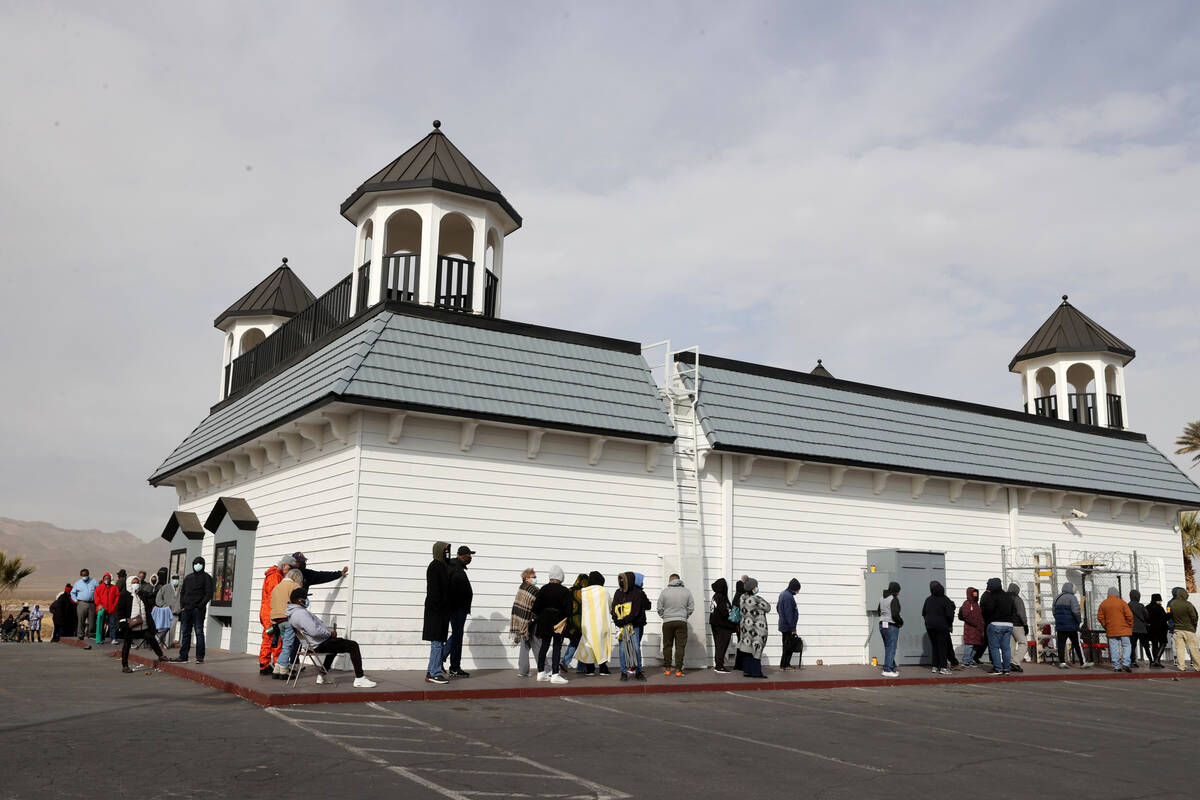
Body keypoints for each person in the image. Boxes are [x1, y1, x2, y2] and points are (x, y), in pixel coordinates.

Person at [285, 587, 376, 687]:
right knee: (353, 645)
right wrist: (329, 634)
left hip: (311, 645)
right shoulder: (300, 613)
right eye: (305, 598)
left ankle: (322, 675)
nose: (307, 600)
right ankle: (360, 678)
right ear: (298, 600)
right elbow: (314, 631)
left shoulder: (293, 613)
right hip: (318, 645)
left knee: (335, 643)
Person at [532, 565, 573, 684]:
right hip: (558, 622)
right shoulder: (564, 591)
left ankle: (541, 673)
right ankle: (555, 674)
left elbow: (536, 608)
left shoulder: (543, 589)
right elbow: (569, 610)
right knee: (556, 647)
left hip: (544, 621)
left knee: (544, 646)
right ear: (561, 578)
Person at [117, 575, 166, 672]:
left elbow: (149, 605)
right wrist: (122, 622)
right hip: (130, 626)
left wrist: (151, 624)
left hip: (143, 626)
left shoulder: (141, 595)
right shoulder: (124, 595)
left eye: (137, 582)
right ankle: (125, 666)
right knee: (127, 644)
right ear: (129, 584)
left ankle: (161, 655)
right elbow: (120, 610)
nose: (136, 584)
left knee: (151, 638)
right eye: (133, 582)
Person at [258, 555, 296, 676]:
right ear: (284, 565)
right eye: (289, 568)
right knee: (275, 639)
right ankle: (279, 665)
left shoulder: (275, 575)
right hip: (270, 611)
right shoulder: (275, 576)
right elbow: (274, 597)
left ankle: (265, 664)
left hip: (267, 611)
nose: (289, 571)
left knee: (269, 638)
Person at [423, 541, 452, 684]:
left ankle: (432, 670)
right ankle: (434, 673)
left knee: (438, 642)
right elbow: (435, 591)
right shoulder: (435, 566)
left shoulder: (441, 566)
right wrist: (441, 607)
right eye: (445, 551)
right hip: (436, 612)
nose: (447, 553)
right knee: (437, 643)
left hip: (440, 611)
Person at [176, 556, 214, 664]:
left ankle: (200, 657)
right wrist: (182, 606)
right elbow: (183, 592)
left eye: (200, 563)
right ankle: (183, 656)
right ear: (193, 564)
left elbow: (208, 594)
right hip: (186, 609)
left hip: (198, 610)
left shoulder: (207, 578)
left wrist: (200, 606)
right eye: (195, 563)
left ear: (203, 565)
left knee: (199, 632)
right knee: (186, 633)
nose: (197, 565)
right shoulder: (188, 577)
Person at [444, 545, 475, 678]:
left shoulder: (455, 567)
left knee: (457, 634)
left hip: (457, 608)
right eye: (469, 555)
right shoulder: (456, 569)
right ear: (462, 556)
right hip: (457, 609)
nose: (470, 558)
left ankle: (442, 657)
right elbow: (456, 591)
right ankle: (454, 667)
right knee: (457, 637)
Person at [612, 571, 648, 681]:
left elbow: (635, 611)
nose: (621, 582)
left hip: (634, 626)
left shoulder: (636, 593)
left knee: (636, 648)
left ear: (629, 581)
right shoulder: (618, 593)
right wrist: (616, 620)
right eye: (620, 580)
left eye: (624, 580)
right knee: (623, 649)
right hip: (622, 627)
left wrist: (624, 621)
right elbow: (614, 607)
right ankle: (623, 672)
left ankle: (638, 671)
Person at [658, 573, 694, 676]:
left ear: (670, 581)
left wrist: (664, 616)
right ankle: (678, 670)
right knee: (680, 646)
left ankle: (668, 669)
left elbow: (659, 607)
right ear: (679, 580)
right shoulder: (686, 592)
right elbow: (691, 607)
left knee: (667, 645)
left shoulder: (664, 592)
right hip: (681, 621)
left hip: (667, 622)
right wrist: (684, 616)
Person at [576, 571, 612, 676]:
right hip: (602, 623)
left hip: (587, 623)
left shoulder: (583, 592)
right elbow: (610, 606)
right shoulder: (604, 591)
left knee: (588, 644)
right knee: (602, 644)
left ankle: (590, 669)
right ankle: (603, 668)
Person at [509, 568, 541, 677]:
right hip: (531, 622)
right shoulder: (534, 590)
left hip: (522, 622)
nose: (536, 579)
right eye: (534, 577)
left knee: (525, 646)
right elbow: (538, 605)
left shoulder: (521, 588)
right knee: (537, 645)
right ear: (526, 578)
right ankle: (545, 669)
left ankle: (523, 671)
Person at [737, 577, 771, 678]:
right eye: (756, 586)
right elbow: (768, 607)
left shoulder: (742, 598)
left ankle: (747, 671)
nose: (757, 588)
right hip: (757, 629)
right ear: (752, 588)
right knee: (757, 649)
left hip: (746, 628)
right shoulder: (756, 599)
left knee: (747, 650)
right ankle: (756, 672)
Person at [980, 578, 1014, 675]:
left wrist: (987, 620)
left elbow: (988, 609)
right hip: (1008, 624)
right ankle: (1007, 669)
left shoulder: (991, 596)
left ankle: (998, 668)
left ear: (992, 586)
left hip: (995, 624)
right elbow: (1013, 610)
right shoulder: (1008, 596)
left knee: (994, 647)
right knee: (1006, 648)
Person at [1097, 586, 1134, 672]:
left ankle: (1116, 666)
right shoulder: (1122, 602)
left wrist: (1106, 626)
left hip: (1111, 629)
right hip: (1124, 629)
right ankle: (1125, 663)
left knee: (1113, 647)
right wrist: (1130, 625)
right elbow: (1130, 615)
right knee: (1126, 645)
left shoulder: (1103, 604)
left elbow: (1100, 617)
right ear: (1117, 594)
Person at [922, 581, 955, 675]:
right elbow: (950, 614)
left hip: (929, 626)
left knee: (935, 646)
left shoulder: (928, 599)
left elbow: (924, 613)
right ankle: (943, 667)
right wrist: (949, 624)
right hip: (941, 626)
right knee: (942, 647)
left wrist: (928, 621)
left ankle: (934, 666)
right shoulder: (945, 599)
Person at [1053, 582, 1088, 669]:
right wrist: (1079, 621)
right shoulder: (1072, 598)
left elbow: (1054, 612)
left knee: (1061, 644)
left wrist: (1059, 620)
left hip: (1060, 626)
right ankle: (1082, 662)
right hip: (1072, 626)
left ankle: (1062, 662)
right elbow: (1076, 611)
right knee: (1077, 644)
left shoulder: (1057, 598)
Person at [709, 578, 738, 674]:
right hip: (722, 625)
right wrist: (731, 614)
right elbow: (724, 612)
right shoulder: (721, 597)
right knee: (721, 646)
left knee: (718, 645)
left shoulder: (715, 596)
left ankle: (718, 664)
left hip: (715, 624)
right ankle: (719, 666)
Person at [1168, 587, 1200, 672]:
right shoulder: (1188, 604)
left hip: (1177, 630)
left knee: (1180, 649)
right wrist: (1194, 626)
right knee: (1193, 649)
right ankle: (1198, 666)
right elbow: (1194, 617)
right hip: (1189, 629)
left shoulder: (1171, 604)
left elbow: (1169, 615)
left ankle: (1181, 666)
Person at [877, 581, 903, 677]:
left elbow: (879, 611)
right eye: (898, 591)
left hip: (882, 624)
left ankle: (892, 667)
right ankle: (887, 669)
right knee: (891, 648)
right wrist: (900, 623)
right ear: (896, 590)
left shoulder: (882, 598)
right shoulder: (893, 598)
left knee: (888, 647)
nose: (899, 593)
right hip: (891, 625)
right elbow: (895, 614)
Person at [564, 573, 589, 672]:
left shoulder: (570, 591)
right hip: (583, 622)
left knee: (574, 642)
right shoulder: (586, 592)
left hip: (571, 622)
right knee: (583, 643)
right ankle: (579, 666)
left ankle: (566, 663)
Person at [776, 578, 802, 671]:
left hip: (784, 625)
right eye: (798, 589)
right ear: (794, 588)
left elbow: (778, 608)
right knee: (788, 646)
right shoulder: (788, 597)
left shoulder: (783, 594)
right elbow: (789, 614)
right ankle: (784, 665)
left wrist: (782, 618)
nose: (798, 591)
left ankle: (785, 664)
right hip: (788, 627)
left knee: (787, 645)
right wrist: (793, 628)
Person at [958, 587, 985, 667]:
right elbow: (966, 616)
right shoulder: (967, 603)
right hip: (970, 628)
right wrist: (976, 623)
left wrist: (982, 624)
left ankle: (970, 660)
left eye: (976, 593)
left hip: (977, 629)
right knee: (969, 645)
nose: (975, 595)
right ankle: (965, 661)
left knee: (976, 645)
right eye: (973, 593)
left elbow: (980, 616)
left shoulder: (976, 604)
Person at [70, 569, 97, 641]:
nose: (85, 576)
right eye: (83, 575)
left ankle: (91, 634)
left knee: (92, 620)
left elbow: (98, 591)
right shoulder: (77, 583)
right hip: (82, 603)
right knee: (81, 620)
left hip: (92, 603)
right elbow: (72, 593)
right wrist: (76, 601)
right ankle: (80, 634)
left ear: (88, 574)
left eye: (86, 575)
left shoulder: (94, 581)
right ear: (81, 575)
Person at [155, 571, 180, 648]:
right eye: (174, 578)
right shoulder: (165, 587)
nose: (175, 580)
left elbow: (185, 599)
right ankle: (156, 644)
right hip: (165, 612)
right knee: (162, 630)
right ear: (171, 579)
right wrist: (164, 606)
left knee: (172, 631)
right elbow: (158, 599)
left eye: (177, 578)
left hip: (175, 613)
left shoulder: (181, 589)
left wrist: (182, 608)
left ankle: (167, 645)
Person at [93, 573, 119, 646]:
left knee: (112, 624)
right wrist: (99, 604)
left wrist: (115, 604)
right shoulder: (99, 588)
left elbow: (117, 596)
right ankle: (101, 638)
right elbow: (96, 596)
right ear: (103, 579)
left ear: (110, 579)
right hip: (102, 609)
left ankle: (113, 638)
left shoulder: (114, 588)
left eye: (108, 578)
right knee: (101, 624)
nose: (107, 580)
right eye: (105, 578)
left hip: (111, 609)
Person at [1008, 583, 1028, 673]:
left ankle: (1010, 663)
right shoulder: (1017, 599)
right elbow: (1021, 613)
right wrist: (1025, 624)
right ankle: (1015, 662)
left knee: (1011, 646)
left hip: (1007, 624)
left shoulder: (1005, 598)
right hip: (1017, 624)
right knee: (1023, 643)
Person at [1127, 589, 1150, 668]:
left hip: (1132, 628)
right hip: (1142, 629)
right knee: (1146, 645)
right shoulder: (1141, 606)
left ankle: (1132, 661)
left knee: (1132, 646)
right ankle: (1151, 660)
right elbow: (1146, 616)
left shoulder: (1128, 605)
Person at [1147, 592, 1169, 669]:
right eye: (1160, 600)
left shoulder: (1147, 607)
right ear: (1157, 600)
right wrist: (1169, 612)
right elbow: (1165, 618)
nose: (1161, 602)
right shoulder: (1160, 608)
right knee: (1163, 643)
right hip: (1161, 629)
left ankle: (1155, 661)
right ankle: (1157, 660)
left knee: (1154, 644)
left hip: (1151, 629)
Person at [731, 577, 747, 672]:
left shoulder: (736, 595)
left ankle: (738, 664)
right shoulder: (742, 597)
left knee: (740, 643)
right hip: (741, 624)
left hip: (737, 624)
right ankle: (740, 664)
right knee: (742, 644)